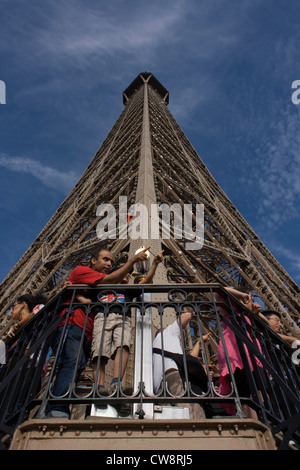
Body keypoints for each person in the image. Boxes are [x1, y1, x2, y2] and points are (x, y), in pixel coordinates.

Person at [47, 246, 150, 418]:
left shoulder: (99, 281)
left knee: (78, 365)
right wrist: (131, 261)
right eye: (105, 259)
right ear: (93, 261)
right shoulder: (83, 271)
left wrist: (77, 290)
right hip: (72, 325)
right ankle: (57, 407)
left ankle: (63, 405)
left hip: (88, 330)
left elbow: (90, 297)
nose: (109, 263)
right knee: (71, 363)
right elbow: (107, 282)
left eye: (111, 261)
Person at [90, 250, 164, 395]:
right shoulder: (102, 284)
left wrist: (154, 264)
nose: (127, 275)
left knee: (123, 346)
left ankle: (116, 383)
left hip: (123, 318)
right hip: (102, 318)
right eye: (123, 273)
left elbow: (146, 281)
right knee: (100, 351)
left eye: (127, 274)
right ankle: (98, 387)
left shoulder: (127, 290)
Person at [215, 287, 265, 418]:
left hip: (251, 354)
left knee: (259, 392)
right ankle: (254, 422)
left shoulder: (247, 317)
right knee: (247, 391)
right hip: (236, 354)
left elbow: (268, 326)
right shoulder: (230, 311)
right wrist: (243, 294)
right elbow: (218, 290)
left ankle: (259, 421)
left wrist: (255, 313)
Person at [152, 311, 209, 419]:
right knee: (193, 417)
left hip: (160, 390)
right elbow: (187, 315)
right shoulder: (168, 333)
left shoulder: (152, 352)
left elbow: (190, 358)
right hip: (177, 380)